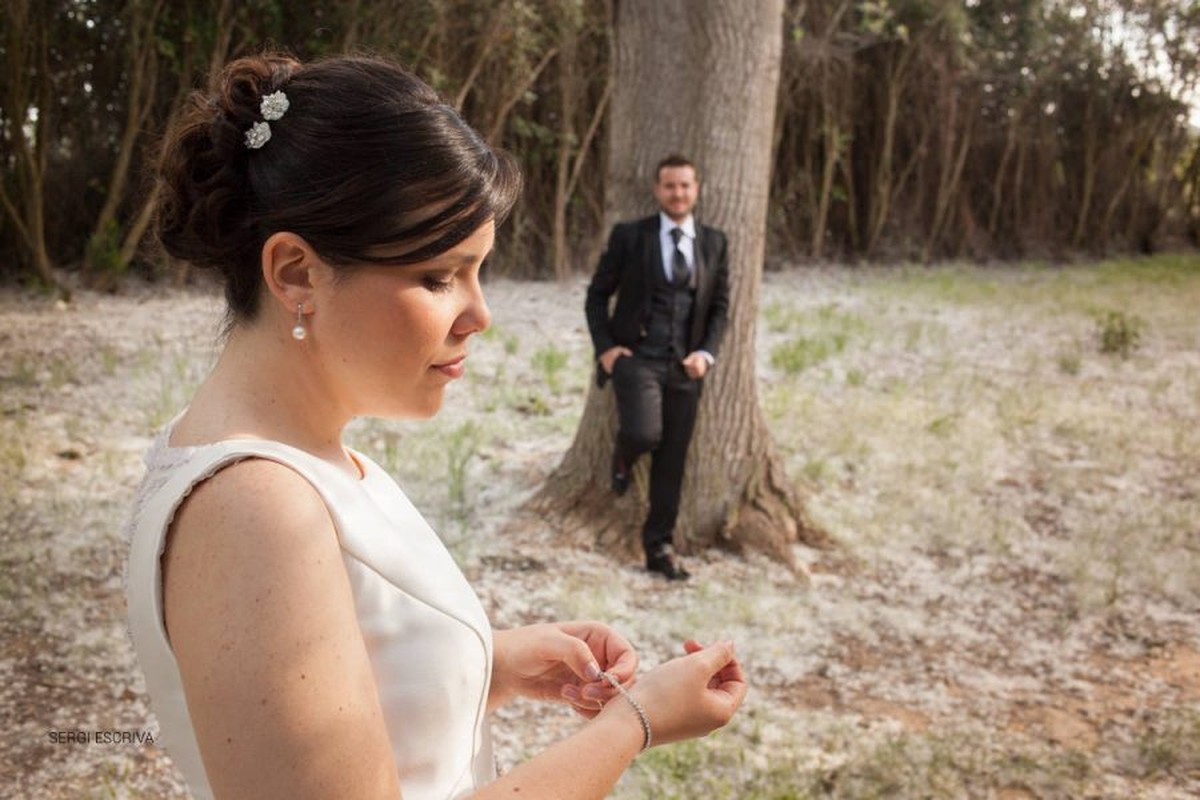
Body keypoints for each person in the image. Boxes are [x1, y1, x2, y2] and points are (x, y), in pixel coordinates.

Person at [123, 53, 746, 800]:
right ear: (295, 273)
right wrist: (631, 726)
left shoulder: (284, 455)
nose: (480, 315)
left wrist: (488, 663)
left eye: (479, 272)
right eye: (439, 276)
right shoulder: (255, 509)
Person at [584, 155, 731, 581]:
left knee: (672, 460)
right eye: (670, 186)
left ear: (696, 189)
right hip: (637, 358)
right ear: (657, 190)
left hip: (686, 367)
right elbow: (596, 296)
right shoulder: (631, 236)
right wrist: (606, 349)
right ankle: (624, 456)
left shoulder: (715, 242)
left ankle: (659, 548)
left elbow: (721, 307)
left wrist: (705, 354)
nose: (678, 193)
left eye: (685, 185)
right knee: (644, 433)